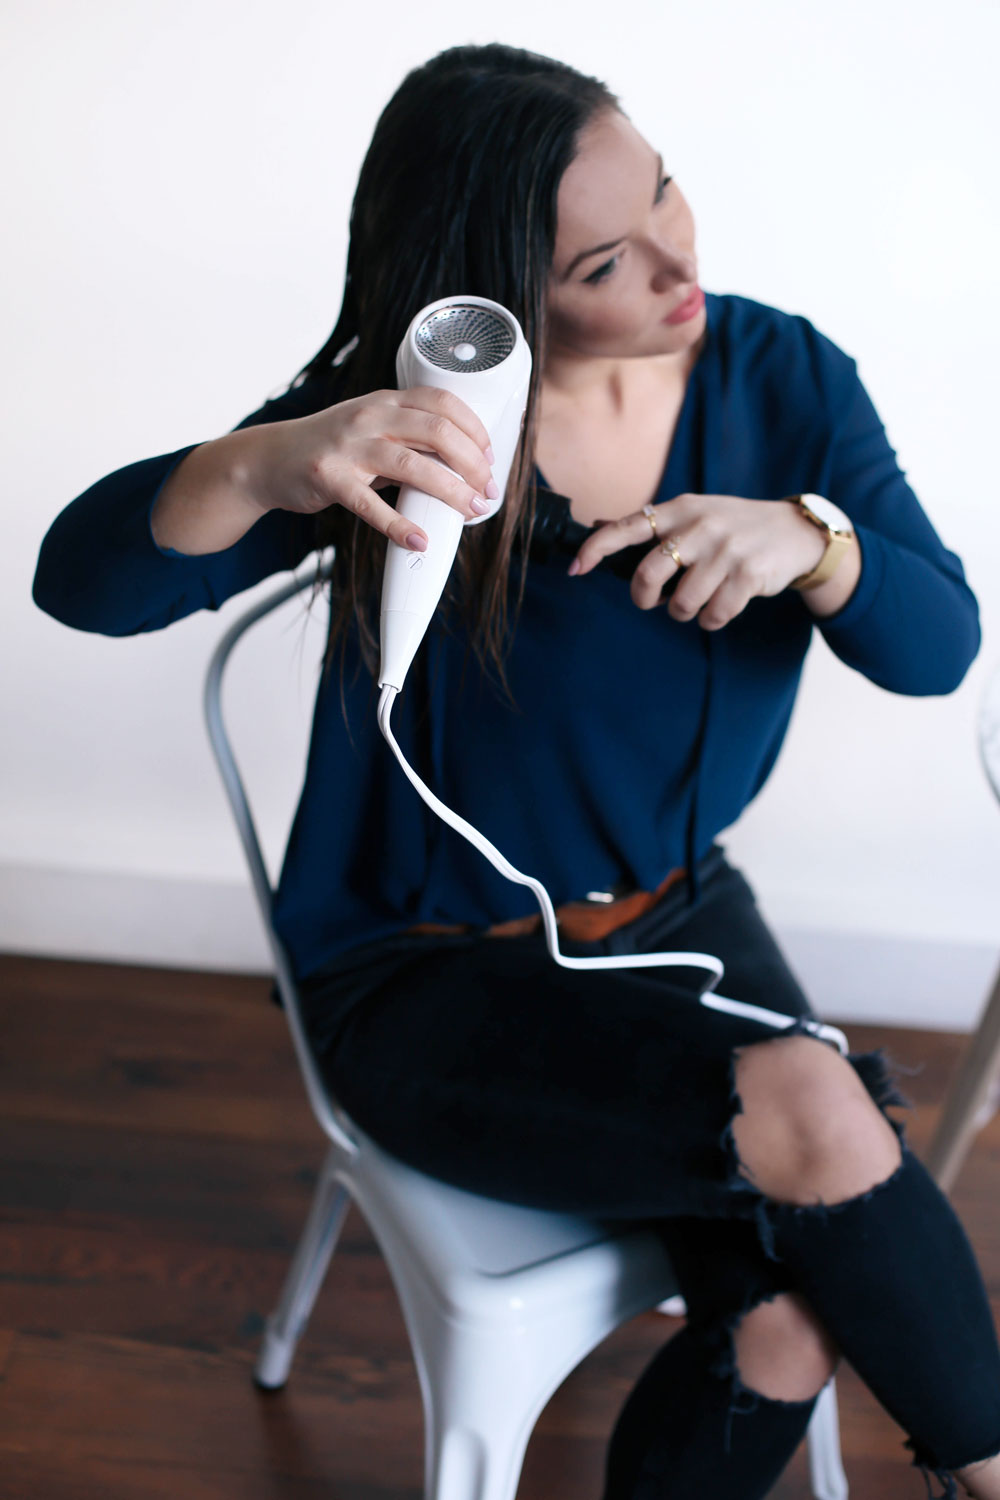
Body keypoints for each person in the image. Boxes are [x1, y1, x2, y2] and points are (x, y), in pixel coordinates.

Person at [31, 39, 999, 1500]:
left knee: (796, 1319)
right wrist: (264, 461)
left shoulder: (781, 375)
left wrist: (819, 544)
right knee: (816, 1107)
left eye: (668, 191)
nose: (676, 262)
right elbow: (79, 587)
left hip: (678, 917)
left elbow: (934, 648)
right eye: (608, 260)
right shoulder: (420, 424)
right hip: (422, 975)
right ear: (498, 291)